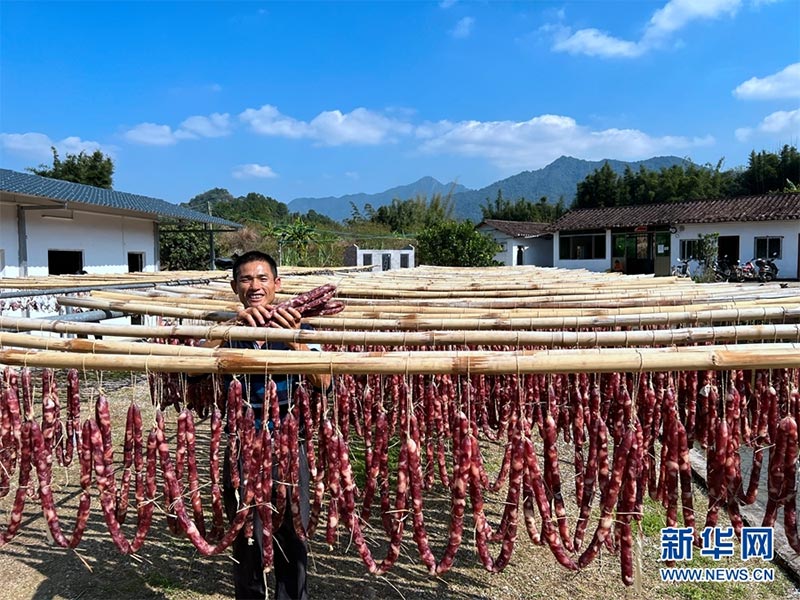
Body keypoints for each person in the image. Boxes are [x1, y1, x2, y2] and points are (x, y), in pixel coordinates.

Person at [218, 250, 330, 600]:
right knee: (245, 531)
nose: (255, 285)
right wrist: (226, 330)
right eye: (246, 279)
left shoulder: (300, 326)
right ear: (235, 286)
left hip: (288, 441)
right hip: (242, 444)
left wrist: (294, 338)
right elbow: (190, 368)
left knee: (292, 532)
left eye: (262, 278)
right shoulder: (229, 329)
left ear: (276, 284)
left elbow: (323, 380)